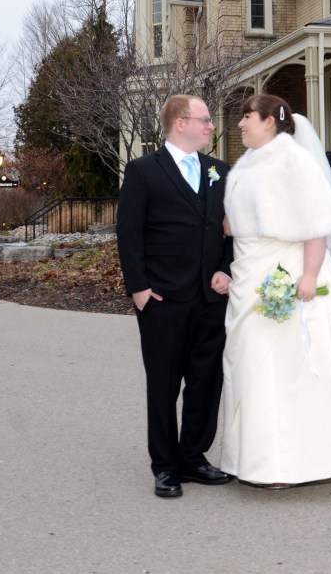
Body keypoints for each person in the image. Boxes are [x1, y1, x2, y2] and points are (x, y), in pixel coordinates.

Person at [221, 93, 331, 487]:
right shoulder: (246, 165)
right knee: (249, 364)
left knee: (285, 368)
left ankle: (285, 465)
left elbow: (316, 224)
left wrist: (310, 275)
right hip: (249, 274)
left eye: (247, 117)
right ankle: (252, 460)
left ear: (269, 122)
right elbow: (235, 225)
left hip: (286, 275)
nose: (241, 124)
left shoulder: (294, 162)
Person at [116, 94, 233, 498]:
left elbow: (232, 230)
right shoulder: (144, 171)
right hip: (162, 299)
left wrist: (227, 270)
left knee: (206, 381)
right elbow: (129, 234)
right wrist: (140, 290)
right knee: (164, 385)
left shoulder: (220, 170)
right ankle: (165, 466)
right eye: (205, 120)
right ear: (180, 123)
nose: (211, 126)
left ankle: (193, 457)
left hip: (210, 297)